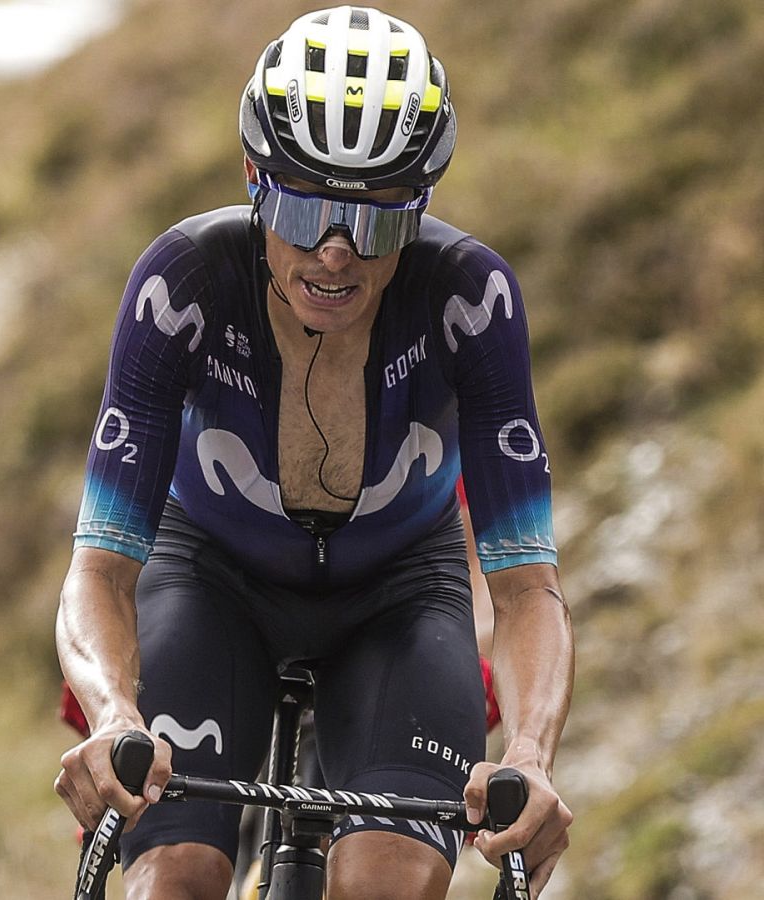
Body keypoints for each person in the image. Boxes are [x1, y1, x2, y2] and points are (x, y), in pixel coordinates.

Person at [53, 7, 574, 899]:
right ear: (256, 183)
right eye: (304, 208)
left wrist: (529, 753)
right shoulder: (182, 283)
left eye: (372, 222)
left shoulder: (471, 301)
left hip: (400, 594)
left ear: (420, 207)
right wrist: (111, 715)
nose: (335, 251)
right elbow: (98, 570)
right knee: (171, 878)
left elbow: (527, 584)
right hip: (212, 576)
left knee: (391, 886)